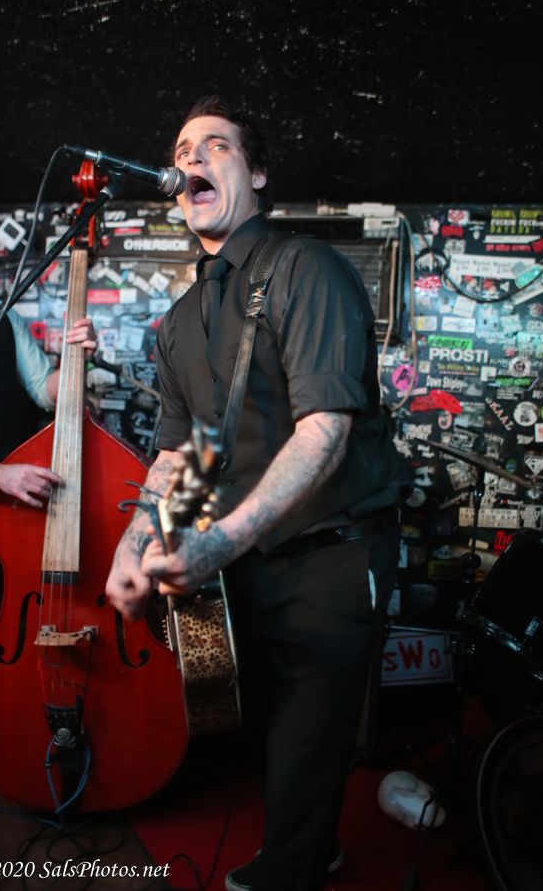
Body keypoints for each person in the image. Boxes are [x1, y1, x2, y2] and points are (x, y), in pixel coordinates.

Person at [106, 97, 410, 891]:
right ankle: (311, 848)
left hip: (332, 550)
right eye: (182, 148)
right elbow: (186, 454)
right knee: (268, 725)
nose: (192, 158)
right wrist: (134, 545)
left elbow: (325, 430)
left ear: (259, 173)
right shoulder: (180, 322)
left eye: (217, 145)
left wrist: (220, 539)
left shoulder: (307, 269)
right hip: (244, 557)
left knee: (308, 733)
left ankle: (294, 868)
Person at [0, 194, 96, 629]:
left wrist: (77, 359)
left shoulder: (1, 316)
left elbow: (45, 392)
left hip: (11, 508)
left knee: (12, 621)